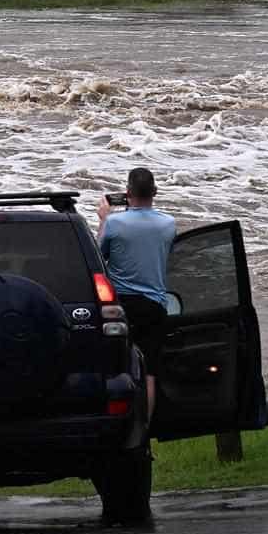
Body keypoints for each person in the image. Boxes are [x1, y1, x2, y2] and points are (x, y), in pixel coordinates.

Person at [97, 167, 175, 421]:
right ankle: (144, 431)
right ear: (155, 192)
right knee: (150, 371)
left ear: (127, 193)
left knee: (118, 367)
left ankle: (117, 425)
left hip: (121, 305)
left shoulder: (114, 223)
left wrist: (103, 219)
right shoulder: (168, 224)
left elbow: (99, 257)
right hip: (155, 305)